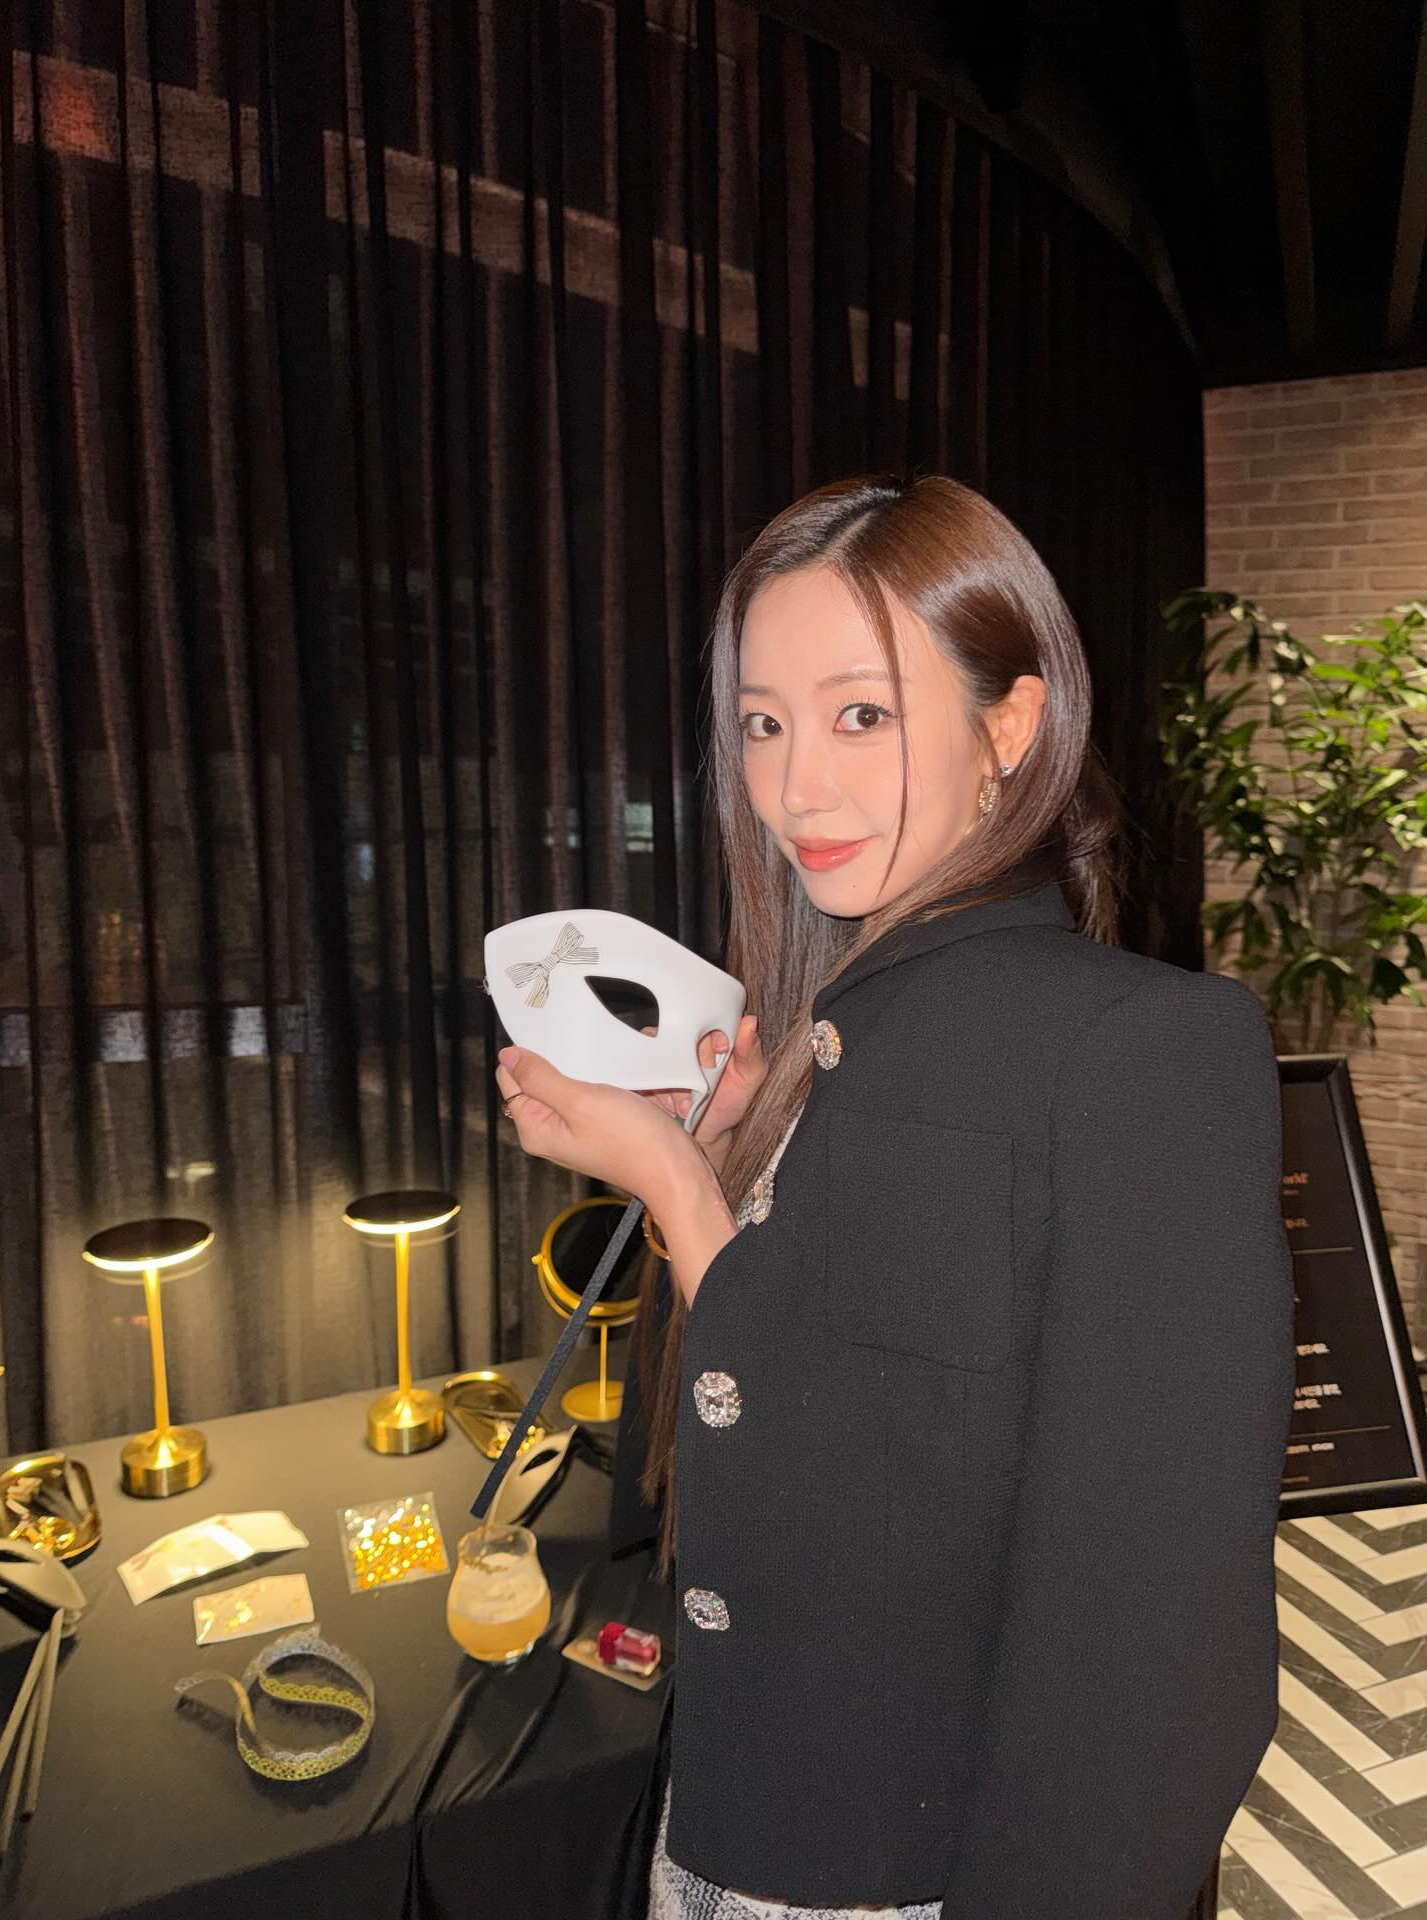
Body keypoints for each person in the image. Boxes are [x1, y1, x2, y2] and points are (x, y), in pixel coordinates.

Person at [494, 474, 1295, 1920]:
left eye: (861, 714)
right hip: (735, 1821)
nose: (797, 786)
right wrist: (725, 1156)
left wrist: (677, 1186)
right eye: (763, 723)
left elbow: (1157, 1653)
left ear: (1011, 726)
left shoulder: (1143, 1050)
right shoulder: (834, 1036)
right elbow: (807, 1447)